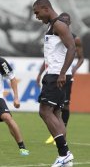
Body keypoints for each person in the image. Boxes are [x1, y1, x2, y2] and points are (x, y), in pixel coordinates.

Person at [33, 0, 76, 167]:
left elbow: (71, 48)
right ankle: (65, 157)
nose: (36, 16)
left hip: (56, 76)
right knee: (56, 113)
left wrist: (63, 73)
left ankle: (64, 154)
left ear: (45, 8)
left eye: (37, 12)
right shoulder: (52, 26)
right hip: (53, 75)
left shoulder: (59, 25)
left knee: (44, 111)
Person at [36, 12, 84, 145]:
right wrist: (40, 73)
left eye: (66, 21)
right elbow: (48, 59)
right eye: (62, 20)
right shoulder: (53, 31)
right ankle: (62, 147)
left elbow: (78, 56)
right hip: (56, 74)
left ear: (69, 23)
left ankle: (63, 148)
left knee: (55, 109)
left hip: (61, 75)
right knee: (56, 111)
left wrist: (71, 70)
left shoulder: (75, 38)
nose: (64, 22)